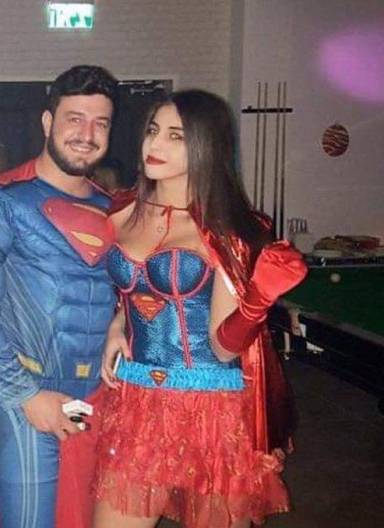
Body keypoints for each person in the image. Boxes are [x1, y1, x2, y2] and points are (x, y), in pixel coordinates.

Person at [93, 89, 305, 528]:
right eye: (153, 130)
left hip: (212, 407)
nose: (155, 144)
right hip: (136, 402)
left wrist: (259, 299)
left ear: (206, 146)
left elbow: (224, 348)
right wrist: (118, 322)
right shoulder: (122, 211)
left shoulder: (226, 230)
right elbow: (135, 289)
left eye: (176, 136)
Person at [0, 65, 120, 528]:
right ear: (48, 122)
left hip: (100, 399)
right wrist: (25, 395)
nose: (87, 134)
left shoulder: (117, 210)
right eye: (75, 119)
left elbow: (130, 296)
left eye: (101, 123)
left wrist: (120, 323)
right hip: (24, 397)